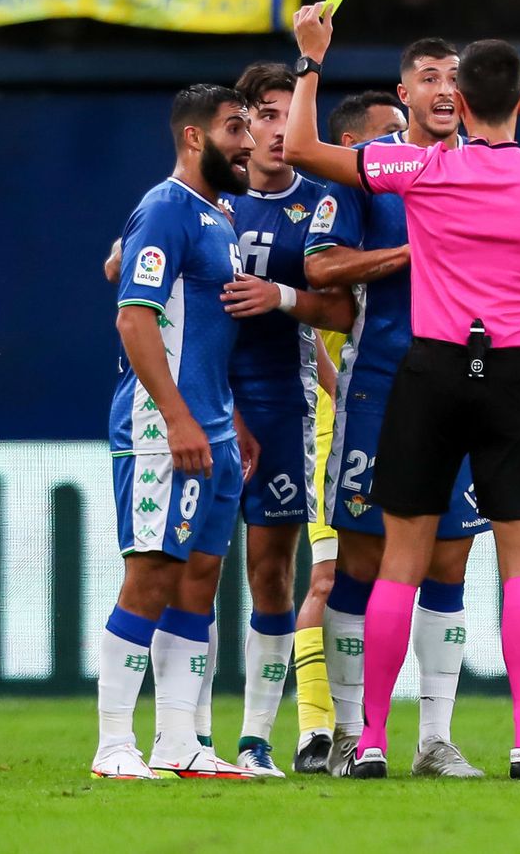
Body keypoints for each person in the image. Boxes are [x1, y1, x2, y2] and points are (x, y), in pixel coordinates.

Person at [286, 9, 520, 781]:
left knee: (400, 560)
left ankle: (368, 742)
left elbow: (299, 148)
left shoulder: (421, 169)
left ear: (459, 103)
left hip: (429, 373)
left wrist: (310, 59)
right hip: (515, 376)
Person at [302, 42, 493, 780]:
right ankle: (352, 732)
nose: (445, 90)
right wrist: (409, 255)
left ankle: (434, 738)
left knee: (450, 556)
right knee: (362, 556)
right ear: (403, 92)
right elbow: (319, 263)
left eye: (454, 78)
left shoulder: (485, 166)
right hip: (380, 380)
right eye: (429, 78)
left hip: (465, 381)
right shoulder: (368, 167)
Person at [93, 84, 261, 780]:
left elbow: (205, 330)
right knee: (151, 573)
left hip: (215, 427)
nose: (247, 141)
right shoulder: (167, 207)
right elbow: (134, 318)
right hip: (167, 427)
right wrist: (178, 415)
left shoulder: (215, 215)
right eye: (234, 128)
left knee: (199, 578)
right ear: (194, 138)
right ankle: (112, 745)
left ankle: (179, 741)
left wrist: (232, 422)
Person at [212, 62, 356, 776]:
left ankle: (255, 739)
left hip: (284, 406)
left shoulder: (321, 207)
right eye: (262, 115)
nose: (274, 130)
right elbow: (131, 265)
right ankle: (182, 734)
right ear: (241, 122)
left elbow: (337, 311)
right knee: (191, 574)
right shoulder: (211, 201)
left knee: (273, 573)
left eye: (286, 114)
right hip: (205, 401)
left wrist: (330, 381)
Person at [291, 90, 406, 774]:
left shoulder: (384, 201)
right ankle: (317, 729)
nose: (399, 146)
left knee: (408, 569)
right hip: (340, 417)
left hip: (399, 403)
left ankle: (371, 727)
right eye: (387, 136)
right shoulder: (328, 205)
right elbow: (316, 308)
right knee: (331, 574)